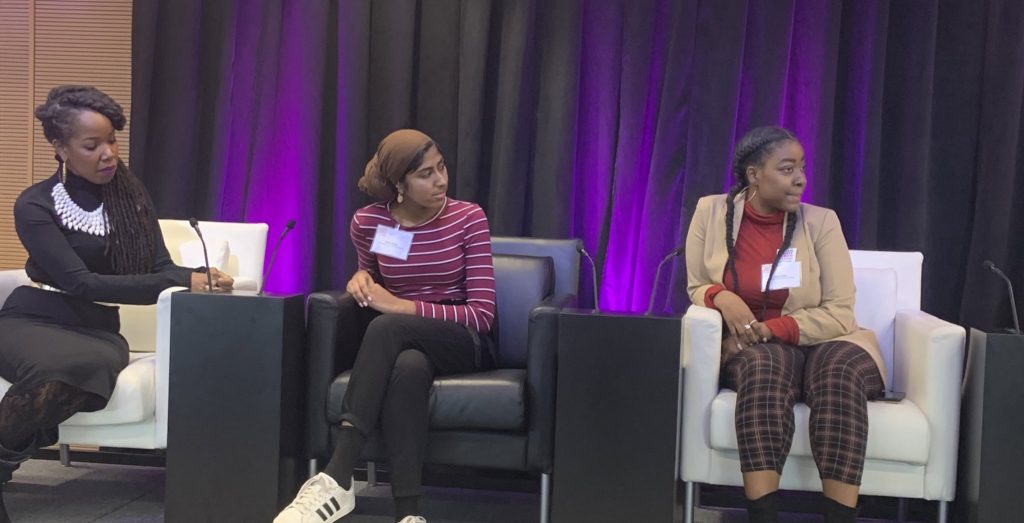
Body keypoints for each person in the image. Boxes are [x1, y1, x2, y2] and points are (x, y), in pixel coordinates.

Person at [0, 85, 233, 522]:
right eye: (92, 145)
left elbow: (160, 265)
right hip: (32, 318)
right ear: (61, 147)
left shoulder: (131, 198)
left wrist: (194, 278)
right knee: (58, 370)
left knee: (87, 365)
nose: (108, 153)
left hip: (96, 327)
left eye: (112, 140)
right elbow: (81, 282)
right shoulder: (34, 203)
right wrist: (176, 278)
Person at [275, 130, 497, 523]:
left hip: (463, 340)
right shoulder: (369, 222)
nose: (441, 180)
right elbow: (372, 273)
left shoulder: (468, 218)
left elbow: (482, 314)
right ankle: (408, 513)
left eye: (441, 167)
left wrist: (397, 305)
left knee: (387, 327)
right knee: (407, 368)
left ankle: (338, 474)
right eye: (426, 174)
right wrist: (361, 279)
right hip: (406, 344)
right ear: (399, 185)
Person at [685, 126, 885, 523]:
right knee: (764, 367)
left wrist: (770, 329)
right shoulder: (711, 212)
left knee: (838, 374)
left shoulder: (821, 222)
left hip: (829, 336)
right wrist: (721, 297)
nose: (801, 179)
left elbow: (840, 311)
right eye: (787, 168)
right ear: (754, 174)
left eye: (802, 168)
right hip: (758, 348)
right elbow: (696, 284)